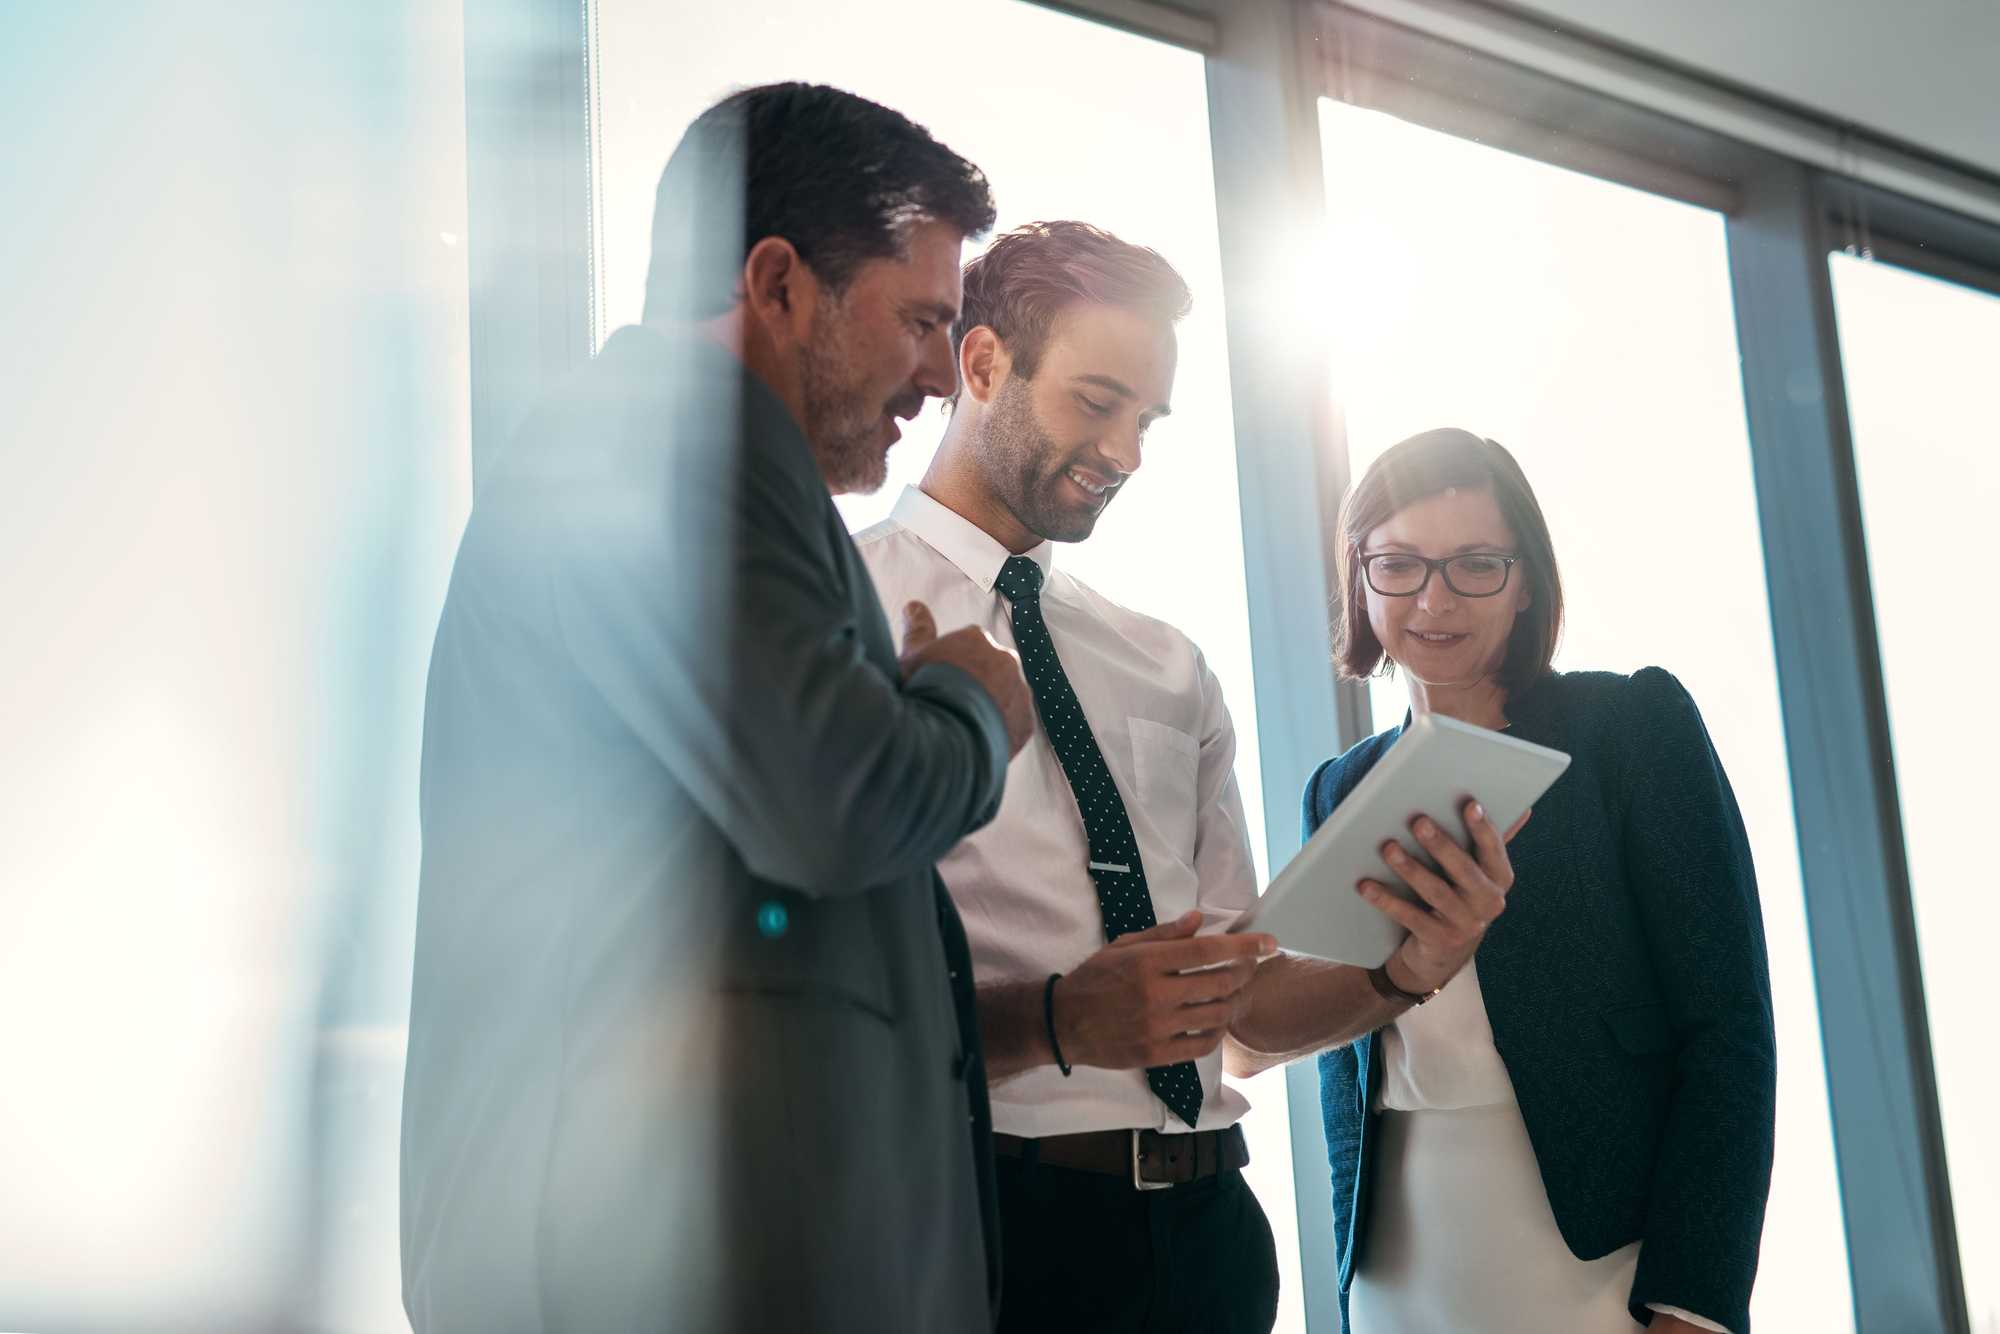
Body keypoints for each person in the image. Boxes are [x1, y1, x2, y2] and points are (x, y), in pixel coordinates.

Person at [400, 83, 1036, 1334]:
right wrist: (971, 700)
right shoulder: (667, 440)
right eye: (918, 320)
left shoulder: (680, 455)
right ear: (776, 282)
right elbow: (835, 796)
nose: (935, 376)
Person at [856, 223, 1516, 1334]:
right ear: (982, 364)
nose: (1125, 453)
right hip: (994, 1223)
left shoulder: (1165, 663)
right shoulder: (844, 614)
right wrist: (1058, 1020)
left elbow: (1241, 1003)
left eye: (1148, 420)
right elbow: (813, 994)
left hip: (1212, 1236)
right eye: (1096, 401)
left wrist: (1404, 971)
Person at [1306, 428, 1777, 1334]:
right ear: (1360, 579)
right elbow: (1345, 1072)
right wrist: (1349, 1288)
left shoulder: (1627, 727)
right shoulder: (1337, 789)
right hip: (1399, 1259)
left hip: (1602, 1257)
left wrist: (1695, 1303)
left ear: (1525, 582)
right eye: (1398, 565)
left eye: (1476, 564)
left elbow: (1728, 1031)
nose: (1435, 598)